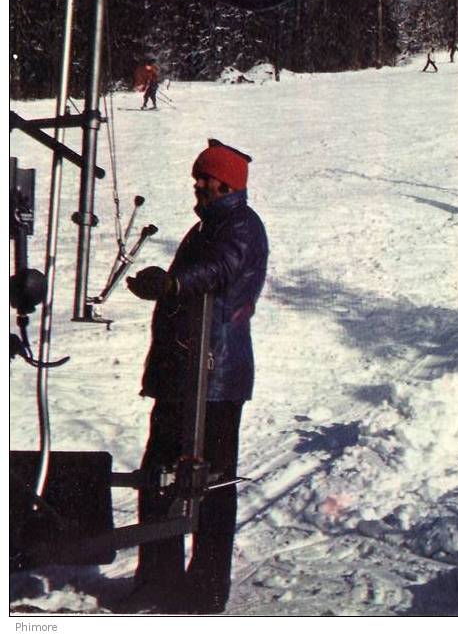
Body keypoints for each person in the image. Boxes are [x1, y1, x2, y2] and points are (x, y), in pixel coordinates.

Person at [121, 139, 269, 614]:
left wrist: (173, 282)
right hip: (183, 373)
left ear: (224, 183)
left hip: (217, 376)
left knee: (212, 484)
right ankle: (158, 577)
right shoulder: (206, 226)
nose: (197, 185)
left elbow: (220, 269)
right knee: (159, 474)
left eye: (203, 178)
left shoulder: (242, 227)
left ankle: (205, 591)